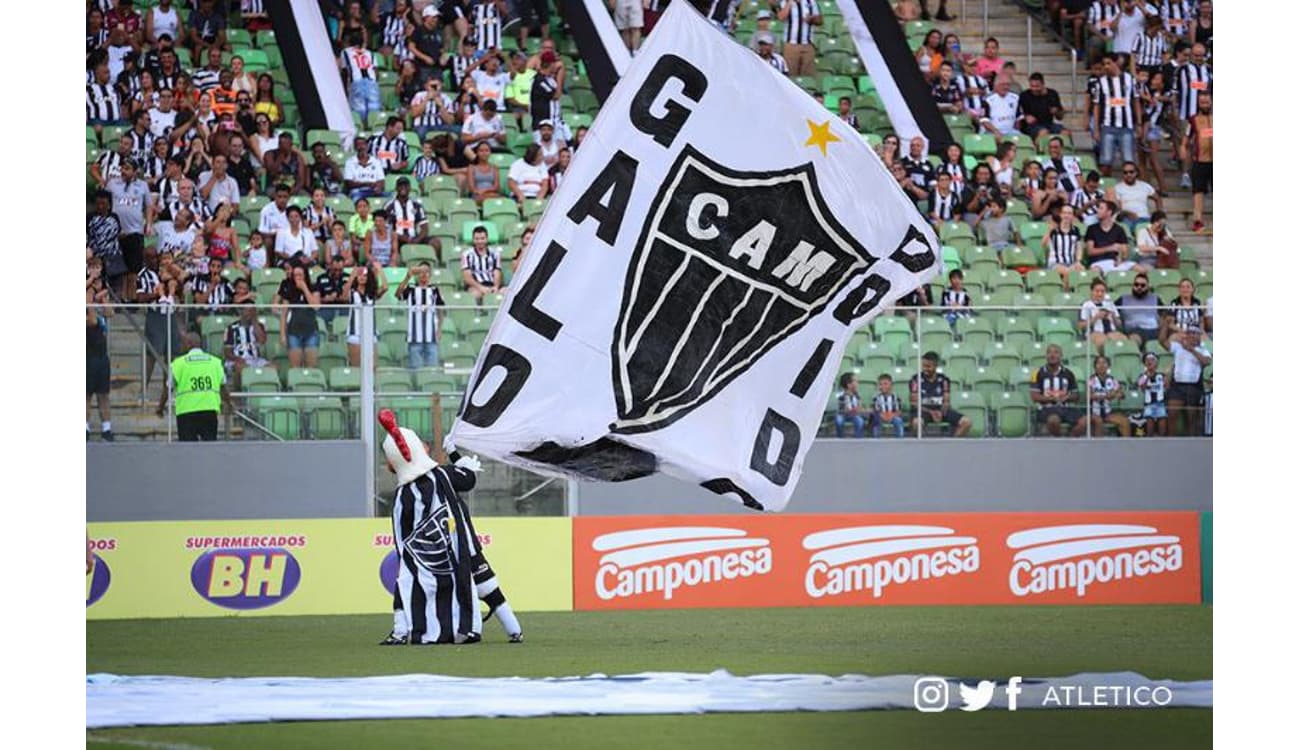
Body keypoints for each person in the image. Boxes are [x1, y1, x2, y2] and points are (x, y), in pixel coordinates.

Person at [377, 409, 522, 645]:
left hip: (424, 557)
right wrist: (454, 454)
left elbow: (402, 540)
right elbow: (469, 479)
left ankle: (400, 631)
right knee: (486, 583)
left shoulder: (401, 497)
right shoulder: (442, 475)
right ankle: (514, 630)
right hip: (461, 547)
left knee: (407, 581)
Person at [159, 332, 228, 441]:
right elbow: (223, 387)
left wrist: (160, 407)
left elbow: (168, 388)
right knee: (210, 448)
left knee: (188, 451)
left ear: (189, 344)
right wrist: (229, 403)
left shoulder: (178, 364)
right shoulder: (215, 362)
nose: (181, 346)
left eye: (183, 343)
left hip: (186, 413)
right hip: (209, 411)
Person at [1093, 53, 1141, 177]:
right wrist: (1096, 128)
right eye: (1104, 64)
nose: (1106, 67)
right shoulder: (1101, 82)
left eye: (1109, 63)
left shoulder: (1130, 79)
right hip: (1108, 126)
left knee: (1129, 160)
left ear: (1116, 63)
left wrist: (1139, 124)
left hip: (1127, 126)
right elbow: (1097, 105)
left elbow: (1136, 101)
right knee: (1106, 161)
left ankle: (1130, 190)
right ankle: (1106, 189)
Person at [909, 351, 971, 437]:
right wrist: (931, 412)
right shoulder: (915, 380)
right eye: (923, 366)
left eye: (928, 366)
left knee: (966, 422)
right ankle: (924, 447)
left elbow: (946, 401)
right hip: (923, 411)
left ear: (935, 366)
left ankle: (952, 445)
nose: (925, 369)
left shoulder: (944, 380)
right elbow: (914, 403)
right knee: (916, 423)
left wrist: (941, 411)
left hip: (941, 410)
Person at [1030, 343, 1087, 437]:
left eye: (1056, 352)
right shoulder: (1037, 373)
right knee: (1054, 421)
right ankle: (1061, 441)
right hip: (1046, 409)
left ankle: (1070, 440)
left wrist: (1067, 397)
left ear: (1061, 356)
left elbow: (1076, 395)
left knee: (1085, 422)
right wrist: (1052, 399)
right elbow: (1034, 396)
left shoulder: (1069, 373)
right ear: (1046, 356)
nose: (1052, 355)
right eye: (1049, 352)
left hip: (1066, 408)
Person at [397, 262, 446, 369]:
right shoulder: (411, 289)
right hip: (414, 337)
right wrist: (407, 277)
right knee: (416, 370)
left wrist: (439, 329)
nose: (424, 274)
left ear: (430, 274)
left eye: (426, 272)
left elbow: (440, 310)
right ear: (417, 274)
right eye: (421, 271)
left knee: (432, 370)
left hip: (431, 336)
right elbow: (398, 295)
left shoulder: (434, 290)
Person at [87, 261, 115, 442]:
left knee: (103, 394)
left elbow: (110, 313)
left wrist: (102, 298)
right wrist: (90, 298)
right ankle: (85, 428)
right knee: (86, 394)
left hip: (101, 353)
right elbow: (93, 321)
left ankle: (107, 429)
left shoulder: (99, 296)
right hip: (87, 353)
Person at [274, 264, 322, 368]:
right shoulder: (290, 290)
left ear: (305, 275)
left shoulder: (313, 287)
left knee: (311, 367)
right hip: (293, 332)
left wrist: (304, 288)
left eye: (300, 275)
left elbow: (316, 306)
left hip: (311, 331)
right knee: (295, 367)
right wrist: (282, 334)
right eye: (295, 275)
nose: (298, 278)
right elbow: (284, 313)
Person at [1165, 326, 1210, 436]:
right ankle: (1170, 443)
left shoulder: (1203, 350)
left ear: (1199, 336)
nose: (1192, 336)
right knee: (1172, 414)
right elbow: (1162, 341)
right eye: (1190, 333)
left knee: (1192, 418)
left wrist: (1191, 349)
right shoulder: (1177, 347)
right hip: (1177, 386)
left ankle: (1191, 445)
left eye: (1195, 333)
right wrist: (1165, 325)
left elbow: (1206, 361)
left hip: (1194, 387)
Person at [345, 260, 389, 366]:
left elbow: (385, 287)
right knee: (357, 366)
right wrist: (352, 276)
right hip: (355, 333)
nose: (362, 277)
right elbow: (344, 294)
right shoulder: (352, 292)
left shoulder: (372, 293)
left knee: (373, 365)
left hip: (371, 333)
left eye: (365, 275)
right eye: (359, 275)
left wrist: (380, 270)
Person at [1181, 90, 1212, 233]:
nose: (1205, 104)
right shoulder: (1193, 119)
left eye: (1207, 101)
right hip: (1200, 160)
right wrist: (1182, 147)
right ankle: (1197, 220)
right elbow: (1187, 136)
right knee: (1198, 191)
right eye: (1202, 102)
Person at [223, 300, 268, 390]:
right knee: (241, 368)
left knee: (273, 367)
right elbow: (227, 352)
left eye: (253, 311)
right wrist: (238, 359)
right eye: (248, 310)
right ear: (241, 311)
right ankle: (240, 393)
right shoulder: (231, 328)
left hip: (256, 359)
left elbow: (262, 340)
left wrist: (255, 321)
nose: (250, 313)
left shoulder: (260, 326)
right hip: (237, 360)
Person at [1109, 161, 1161, 235]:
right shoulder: (1118, 188)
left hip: (1145, 218)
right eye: (1125, 172)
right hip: (1128, 219)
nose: (1128, 174)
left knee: (1161, 227)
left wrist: (1159, 214)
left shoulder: (1145, 186)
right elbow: (1118, 209)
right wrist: (1128, 213)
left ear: (1136, 173)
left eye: (1131, 172)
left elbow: (1157, 198)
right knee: (1125, 228)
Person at [1083, 200, 1135, 273]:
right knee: (1094, 271)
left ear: (1109, 212)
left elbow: (1125, 253)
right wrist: (1110, 248)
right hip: (1098, 263)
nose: (1097, 210)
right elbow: (1090, 251)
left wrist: (1120, 258)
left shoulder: (1119, 229)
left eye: (1101, 208)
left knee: (1140, 269)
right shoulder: (1091, 229)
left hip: (1116, 262)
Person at [1115, 272, 1163, 351]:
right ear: (1133, 285)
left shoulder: (1156, 299)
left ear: (1148, 286)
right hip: (1134, 331)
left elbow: (1164, 315)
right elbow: (1112, 311)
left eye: (1142, 285)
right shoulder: (1123, 299)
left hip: (1153, 331)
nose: (1139, 287)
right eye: (1136, 285)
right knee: (1133, 340)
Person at [1087, 355, 1131, 437]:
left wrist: (1116, 394)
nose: (1101, 365)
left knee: (1125, 421)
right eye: (1099, 363)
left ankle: (1127, 447)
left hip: (1107, 413)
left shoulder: (1112, 380)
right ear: (1095, 366)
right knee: (1098, 422)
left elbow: (1122, 394)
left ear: (1108, 366)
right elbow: (1089, 396)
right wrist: (1106, 396)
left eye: (1104, 363)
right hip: (1094, 413)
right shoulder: (1091, 380)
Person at [1079, 278, 1127, 353]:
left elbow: (1119, 324)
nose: (1100, 294)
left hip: (1111, 332)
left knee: (1123, 340)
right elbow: (1081, 325)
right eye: (1097, 291)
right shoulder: (1086, 305)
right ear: (1092, 292)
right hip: (1094, 332)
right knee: (1102, 340)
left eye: (1102, 291)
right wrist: (1095, 318)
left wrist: (1113, 316)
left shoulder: (1110, 304)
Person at [778, 0, 822, 78]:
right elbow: (781, 17)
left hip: (808, 45)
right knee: (791, 75)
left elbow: (820, 20)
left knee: (808, 77)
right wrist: (789, 4)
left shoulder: (811, 2)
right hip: (791, 45)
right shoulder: (785, 2)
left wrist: (811, 19)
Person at [461, 225, 505, 303]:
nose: (480, 241)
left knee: (507, 292)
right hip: (475, 286)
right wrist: (481, 288)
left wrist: (496, 287)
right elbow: (467, 277)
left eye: (482, 238)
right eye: (477, 239)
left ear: (487, 239)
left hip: (491, 284)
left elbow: (497, 272)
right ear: (473, 240)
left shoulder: (495, 253)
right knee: (475, 294)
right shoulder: (466, 254)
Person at [344, 138, 388, 202]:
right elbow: (349, 183)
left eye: (363, 144)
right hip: (358, 191)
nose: (361, 147)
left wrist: (378, 188)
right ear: (355, 147)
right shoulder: (350, 162)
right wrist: (366, 184)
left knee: (392, 196)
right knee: (355, 196)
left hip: (373, 191)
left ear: (367, 146)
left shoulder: (376, 161)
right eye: (358, 145)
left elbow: (381, 181)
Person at [1134, 351, 1167, 436]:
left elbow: (1166, 387)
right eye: (1147, 360)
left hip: (1160, 404)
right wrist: (1147, 376)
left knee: (1162, 425)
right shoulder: (1142, 376)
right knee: (1149, 426)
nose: (1149, 362)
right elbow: (1142, 387)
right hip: (1149, 404)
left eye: (1152, 360)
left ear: (1156, 363)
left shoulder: (1162, 376)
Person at [871, 373, 906, 438]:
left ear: (891, 385)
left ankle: (900, 439)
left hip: (893, 416)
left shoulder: (896, 397)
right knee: (876, 421)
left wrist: (891, 416)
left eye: (885, 384)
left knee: (898, 420)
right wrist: (883, 416)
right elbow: (876, 410)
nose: (883, 386)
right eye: (880, 384)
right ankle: (876, 439)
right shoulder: (876, 398)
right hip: (881, 416)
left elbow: (899, 411)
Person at [834, 372, 867, 438]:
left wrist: (860, 409)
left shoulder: (857, 395)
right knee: (839, 421)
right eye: (855, 381)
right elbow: (843, 409)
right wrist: (854, 410)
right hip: (842, 414)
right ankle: (840, 438)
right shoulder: (841, 395)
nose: (857, 383)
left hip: (854, 415)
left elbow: (859, 406)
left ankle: (858, 439)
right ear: (849, 384)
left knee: (860, 421)